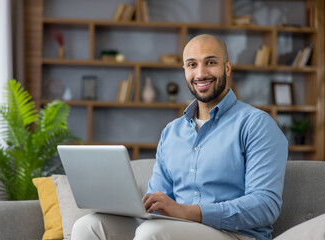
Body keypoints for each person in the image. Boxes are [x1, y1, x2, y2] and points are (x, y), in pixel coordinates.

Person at [71, 34, 288, 240]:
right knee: (88, 226)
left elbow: (265, 205)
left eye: (210, 62)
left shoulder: (256, 124)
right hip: (174, 228)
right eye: (192, 65)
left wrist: (187, 212)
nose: (201, 73)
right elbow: (159, 196)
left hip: (235, 234)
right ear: (185, 70)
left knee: (151, 234)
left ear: (227, 67)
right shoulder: (172, 132)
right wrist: (140, 205)